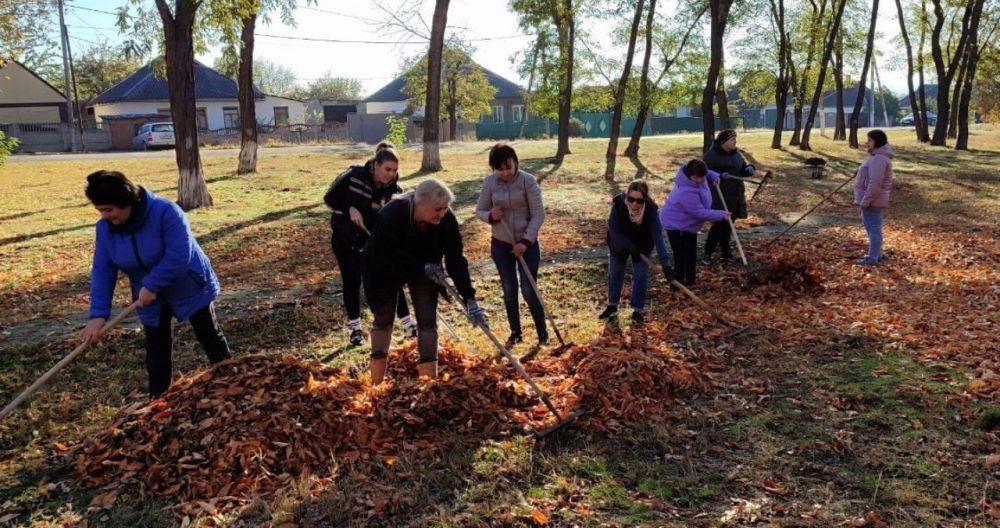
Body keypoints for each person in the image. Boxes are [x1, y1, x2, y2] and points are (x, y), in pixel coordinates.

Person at [80, 170, 231, 397]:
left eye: (108, 209)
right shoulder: (105, 229)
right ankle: (157, 400)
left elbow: (180, 255)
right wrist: (98, 314)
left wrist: (152, 284)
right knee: (156, 347)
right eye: (100, 210)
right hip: (146, 293)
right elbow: (103, 269)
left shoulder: (165, 212)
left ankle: (233, 380)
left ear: (126, 202)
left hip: (187, 282)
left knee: (208, 334)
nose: (104, 216)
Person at [362, 178, 485, 383]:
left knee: (427, 321)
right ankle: (376, 382)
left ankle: (429, 383)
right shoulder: (390, 216)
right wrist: (421, 266)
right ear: (419, 204)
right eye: (438, 209)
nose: (443, 213)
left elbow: (455, 259)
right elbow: (383, 259)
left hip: (426, 271)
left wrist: (469, 299)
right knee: (383, 320)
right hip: (386, 270)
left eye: (446, 208)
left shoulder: (446, 219)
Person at [323, 142, 415, 347]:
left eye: (395, 170)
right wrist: (350, 209)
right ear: (376, 164)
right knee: (352, 282)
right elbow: (329, 198)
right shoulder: (354, 175)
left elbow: (393, 218)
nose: (391, 174)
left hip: (373, 241)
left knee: (391, 279)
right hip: (345, 239)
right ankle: (356, 330)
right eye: (387, 169)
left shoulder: (395, 190)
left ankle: (408, 325)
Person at [475, 143, 548, 347]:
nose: (505, 172)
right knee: (509, 288)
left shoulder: (528, 181)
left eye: (509, 167)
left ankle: (542, 332)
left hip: (527, 244)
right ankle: (516, 332)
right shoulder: (490, 183)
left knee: (528, 288)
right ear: (494, 168)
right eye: (500, 169)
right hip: (501, 244)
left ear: (516, 162)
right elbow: (479, 210)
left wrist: (526, 241)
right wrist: (490, 215)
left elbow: (538, 214)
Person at [598, 180, 673, 324]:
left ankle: (637, 310)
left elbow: (658, 236)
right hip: (619, 244)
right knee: (615, 274)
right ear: (627, 196)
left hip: (643, 245)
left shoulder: (650, 210)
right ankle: (612, 305)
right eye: (631, 199)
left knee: (641, 276)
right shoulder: (619, 204)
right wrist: (630, 246)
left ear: (644, 200)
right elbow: (614, 231)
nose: (634, 204)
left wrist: (666, 264)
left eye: (639, 201)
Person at [660, 159, 730, 286]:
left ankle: (690, 281)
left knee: (691, 252)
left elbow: (707, 173)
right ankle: (678, 284)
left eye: (701, 177)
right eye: (695, 177)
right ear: (688, 174)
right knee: (681, 255)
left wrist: (713, 175)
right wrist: (720, 214)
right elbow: (699, 213)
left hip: (688, 224)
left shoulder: (699, 176)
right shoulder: (685, 191)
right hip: (677, 225)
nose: (699, 180)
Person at [702, 129, 755, 265]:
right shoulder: (711, 156)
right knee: (719, 226)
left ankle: (726, 253)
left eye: (735, 139)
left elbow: (741, 170)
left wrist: (749, 168)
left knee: (728, 226)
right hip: (720, 196)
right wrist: (718, 175)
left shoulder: (736, 154)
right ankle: (708, 253)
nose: (735, 142)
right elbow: (703, 173)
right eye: (732, 139)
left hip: (735, 195)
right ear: (724, 141)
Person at [853, 129, 894, 266]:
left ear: (877, 141)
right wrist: (859, 172)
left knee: (873, 228)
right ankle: (876, 254)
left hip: (872, 200)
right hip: (871, 199)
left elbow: (875, 182)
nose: (867, 142)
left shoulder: (879, 159)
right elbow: (869, 173)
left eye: (870, 140)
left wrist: (866, 200)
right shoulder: (875, 156)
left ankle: (873, 258)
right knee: (872, 227)